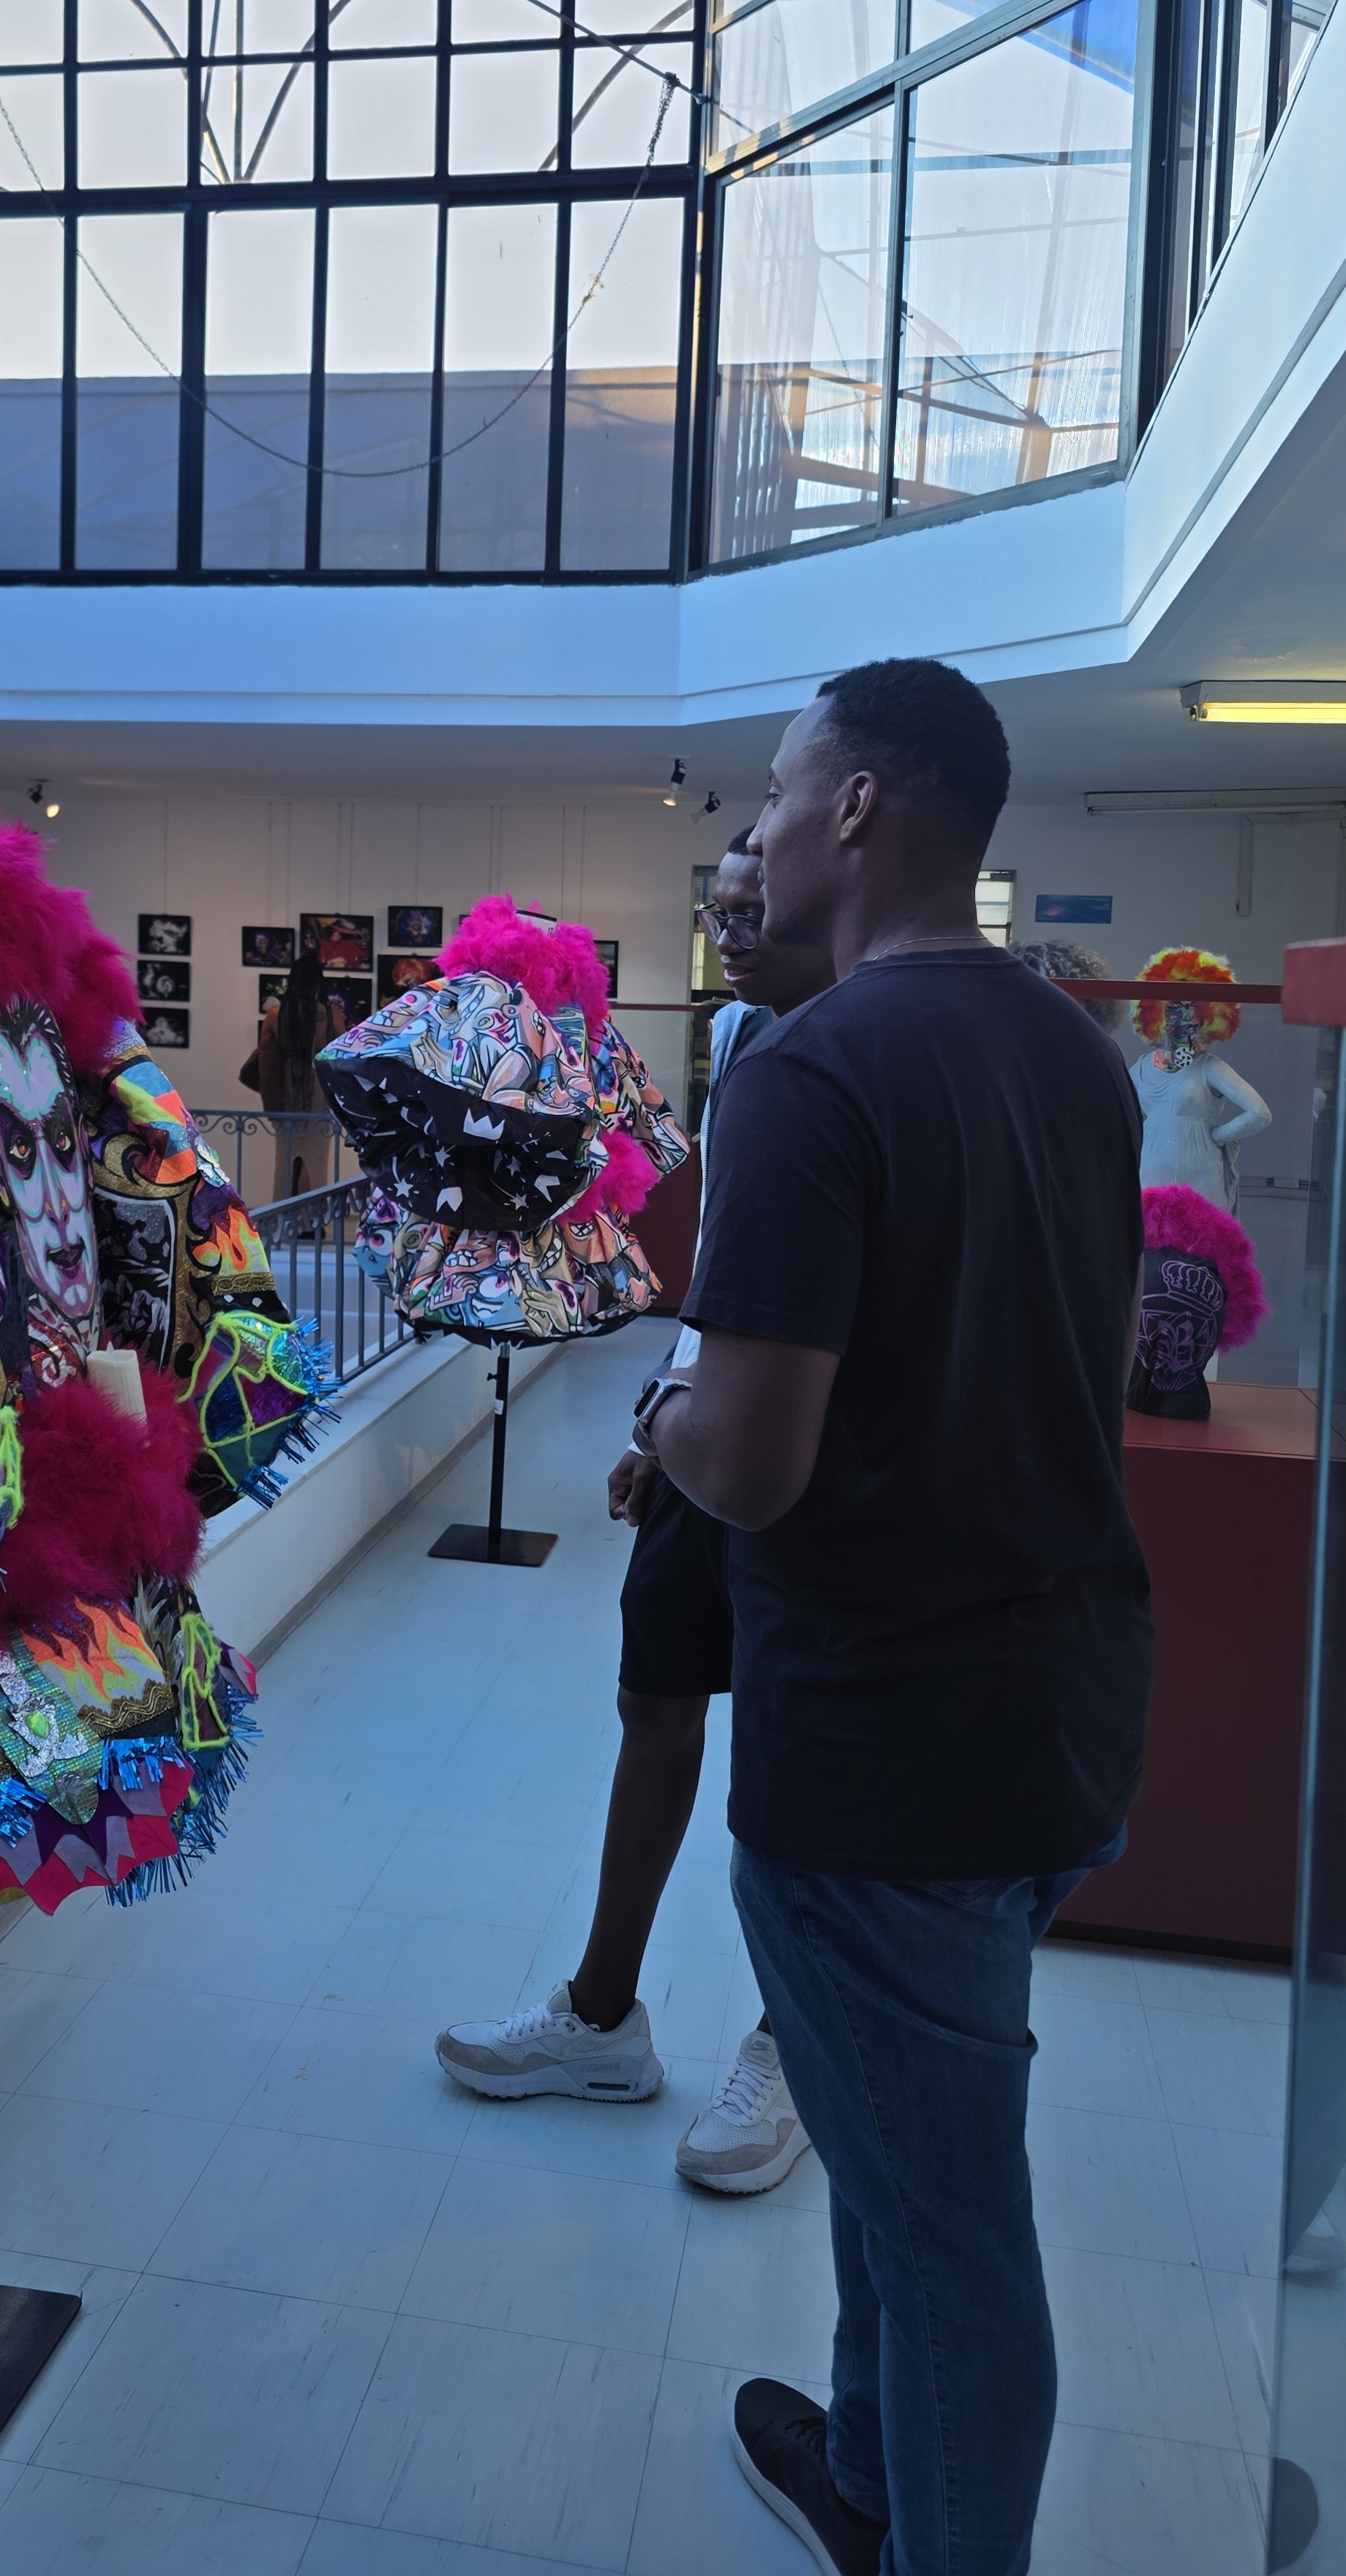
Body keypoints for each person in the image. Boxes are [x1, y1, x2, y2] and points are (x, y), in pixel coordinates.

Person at [643, 659, 1152, 2576]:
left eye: (779, 791)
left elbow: (750, 1459)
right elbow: (1072, 1371)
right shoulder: (1075, 1058)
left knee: (951, 2239)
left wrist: (664, 1413)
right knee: (889, 2139)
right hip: (1061, 1704)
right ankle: (867, 2474)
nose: (758, 833)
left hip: (887, 1752)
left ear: (857, 807)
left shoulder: (810, 1071)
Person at [434, 833, 837, 2195]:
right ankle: (602, 2018)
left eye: (757, 906)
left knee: (791, 1745)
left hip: (820, 1449)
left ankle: (791, 2041)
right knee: (654, 1705)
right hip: (705, 1418)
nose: (735, 933)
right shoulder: (740, 1033)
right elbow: (726, 1256)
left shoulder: (865, 1043)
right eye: (722, 912)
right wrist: (663, 1411)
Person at [241, 945, 349, 1191]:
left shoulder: (276, 1015)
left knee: (286, 1156)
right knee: (316, 1158)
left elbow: (265, 1054)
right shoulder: (331, 1016)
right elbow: (344, 1052)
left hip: (285, 1089)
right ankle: (311, 1212)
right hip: (320, 1092)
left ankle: (283, 1210)